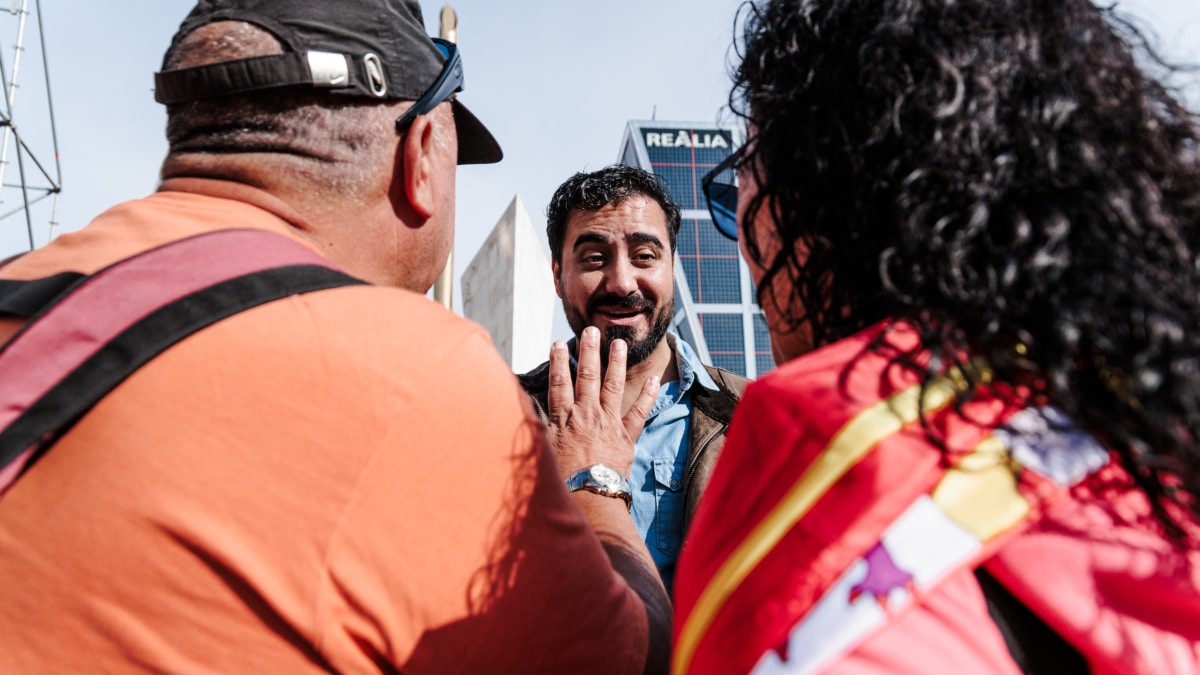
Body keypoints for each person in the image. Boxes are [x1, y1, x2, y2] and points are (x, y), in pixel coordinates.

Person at [0, 1, 671, 673]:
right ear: (422, 155)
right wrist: (599, 476)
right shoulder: (419, 371)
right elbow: (627, 658)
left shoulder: (24, 284)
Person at [672, 0, 1200, 674]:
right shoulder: (1153, 416)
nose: (741, 236)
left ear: (821, 192)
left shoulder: (818, 489)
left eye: (740, 184)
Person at [519, 165, 751, 593]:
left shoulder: (753, 414)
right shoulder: (500, 411)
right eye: (593, 258)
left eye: (645, 256)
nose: (623, 282)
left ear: (672, 268)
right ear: (557, 276)